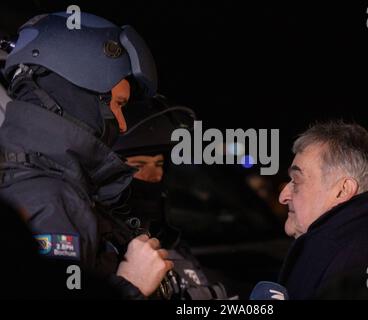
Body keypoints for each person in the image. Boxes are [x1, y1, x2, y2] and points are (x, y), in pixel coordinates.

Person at [0, 12, 172, 298]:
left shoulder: (47, 183)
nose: (122, 124)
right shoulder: (47, 198)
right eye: (118, 104)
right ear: (79, 94)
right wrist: (132, 286)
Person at [277, 121, 368, 299]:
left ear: (343, 190)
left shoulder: (363, 261)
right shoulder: (347, 247)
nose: (283, 196)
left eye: (296, 181)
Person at [113, 96, 228, 299]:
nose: (154, 176)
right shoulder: (102, 247)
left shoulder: (170, 239)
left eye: (158, 165)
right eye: (138, 166)